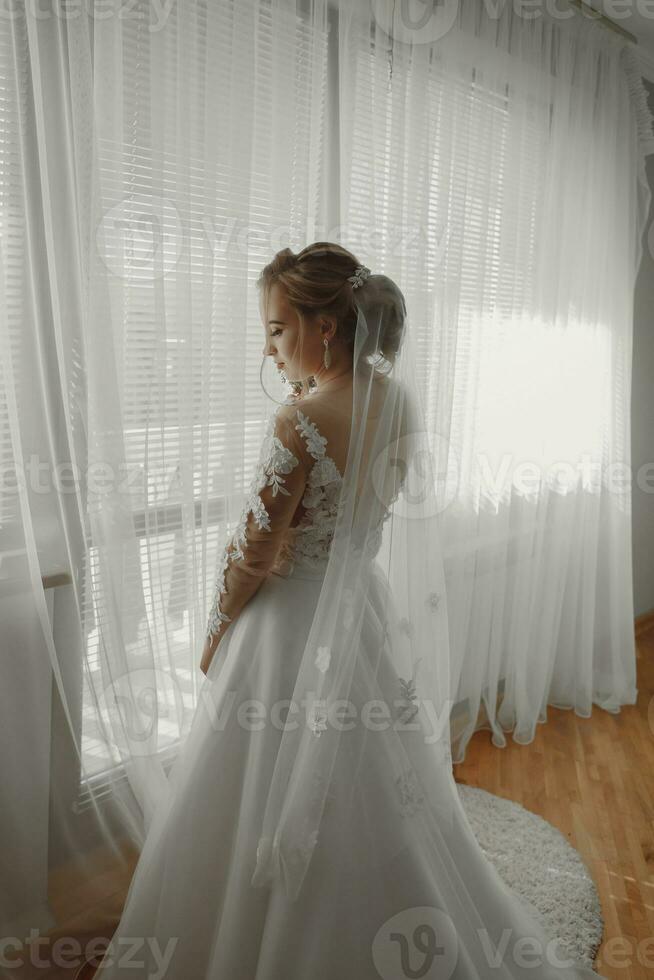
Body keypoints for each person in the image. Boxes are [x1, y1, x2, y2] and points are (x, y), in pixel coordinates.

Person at [95, 243, 607, 979]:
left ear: (325, 327)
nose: (268, 347)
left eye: (276, 329)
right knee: (373, 775)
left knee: (259, 775)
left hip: (286, 626)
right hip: (358, 608)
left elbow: (254, 552)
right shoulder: (399, 399)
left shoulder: (299, 421)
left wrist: (213, 634)